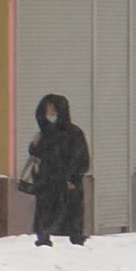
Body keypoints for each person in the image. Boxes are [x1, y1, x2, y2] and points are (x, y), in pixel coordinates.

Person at [27, 94, 90, 247]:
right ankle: (43, 241)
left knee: (70, 215)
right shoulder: (45, 133)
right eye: (46, 109)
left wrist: (71, 177)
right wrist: (34, 146)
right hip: (47, 183)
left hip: (67, 184)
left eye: (53, 109)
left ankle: (76, 243)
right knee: (45, 215)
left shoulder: (74, 133)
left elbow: (81, 158)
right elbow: (39, 156)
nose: (49, 113)